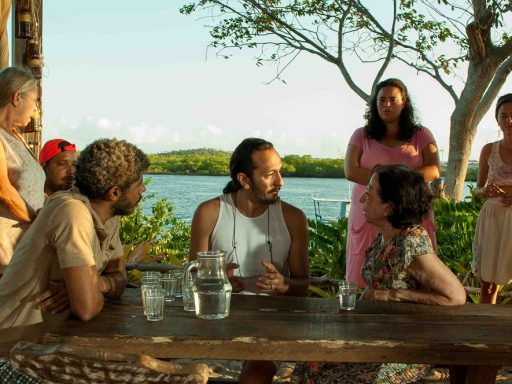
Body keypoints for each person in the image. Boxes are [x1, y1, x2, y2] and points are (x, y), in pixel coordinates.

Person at [291, 164, 466, 384]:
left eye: (370, 192)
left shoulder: (411, 242)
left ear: (388, 208)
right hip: (379, 338)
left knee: (331, 377)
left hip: (405, 349)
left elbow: (456, 296)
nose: (362, 199)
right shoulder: (384, 237)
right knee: (309, 362)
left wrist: (395, 296)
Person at [0, 138, 148, 381]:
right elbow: (87, 309)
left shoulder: (109, 216)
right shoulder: (72, 211)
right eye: (139, 184)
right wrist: (85, 290)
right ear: (114, 193)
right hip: (14, 359)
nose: (143, 190)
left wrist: (94, 285)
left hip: (50, 353)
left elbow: (119, 278)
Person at [190, 137, 309, 384]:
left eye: (280, 171)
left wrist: (283, 285)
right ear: (244, 180)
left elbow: (303, 284)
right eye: (270, 174)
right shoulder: (209, 213)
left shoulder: (294, 218)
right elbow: (193, 278)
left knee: (255, 377)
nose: (281, 181)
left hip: (270, 326)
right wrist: (218, 283)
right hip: (218, 324)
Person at [344, 78, 440, 287]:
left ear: (404, 102)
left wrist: (398, 181)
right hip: (369, 210)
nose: (386, 105)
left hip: (411, 209)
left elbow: (434, 168)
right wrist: (381, 180)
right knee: (361, 272)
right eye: (381, 100)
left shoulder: (421, 134)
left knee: (417, 270)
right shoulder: (361, 135)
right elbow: (350, 171)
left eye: (392, 100)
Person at [0, 67, 45, 274]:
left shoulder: (16, 136)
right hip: (5, 252)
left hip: (24, 251)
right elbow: (4, 190)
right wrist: (39, 221)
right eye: (34, 101)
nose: (36, 109)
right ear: (17, 97)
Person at [473, 93, 512, 304]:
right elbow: (478, 189)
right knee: (488, 283)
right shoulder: (488, 150)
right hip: (493, 219)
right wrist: (486, 192)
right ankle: (483, 332)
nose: (509, 120)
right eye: (503, 115)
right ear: (497, 120)